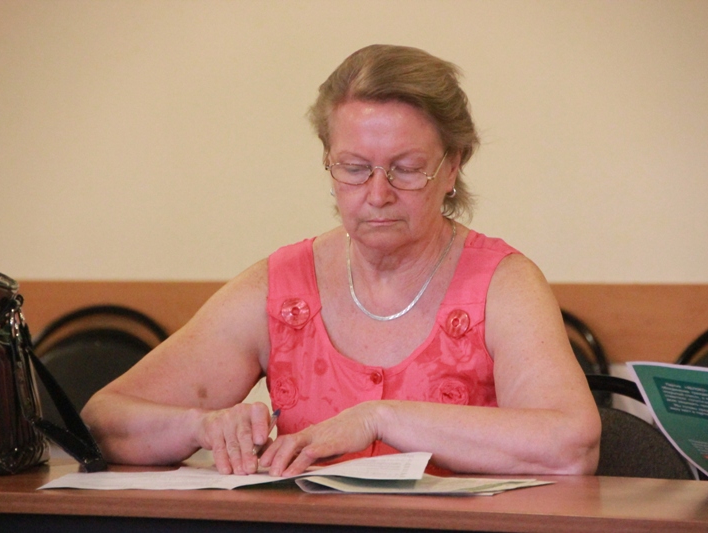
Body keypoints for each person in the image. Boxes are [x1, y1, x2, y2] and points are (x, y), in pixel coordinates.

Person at [81, 44, 601, 478]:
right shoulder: (282, 287)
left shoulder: (502, 285)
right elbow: (105, 421)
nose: (377, 194)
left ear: (452, 167)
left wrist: (380, 419)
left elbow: (571, 446)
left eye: (406, 168)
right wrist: (201, 427)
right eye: (353, 168)